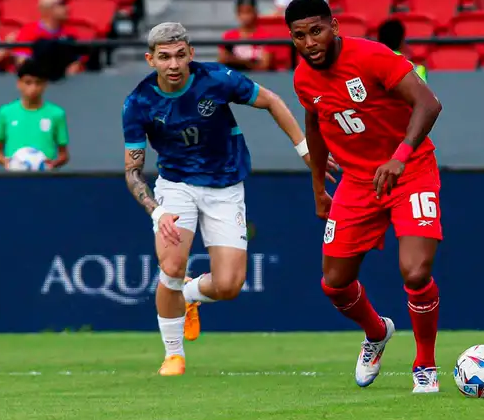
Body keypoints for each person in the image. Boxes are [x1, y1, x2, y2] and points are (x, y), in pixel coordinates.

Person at [122, 22, 337, 377]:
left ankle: (189, 295)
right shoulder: (138, 102)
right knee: (171, 266)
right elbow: (132, 171)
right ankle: (173, 355)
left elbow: (272, 101)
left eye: (180, 55)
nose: (173, 64)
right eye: (164, 57)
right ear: (151, 60)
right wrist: (157, 211)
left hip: (225, 185)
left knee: (228, 286)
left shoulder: (217, 79)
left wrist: (305, 150)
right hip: (176, 186)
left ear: (191, 54)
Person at [287, 0, 445, 394]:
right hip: (357, 182)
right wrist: (319, 187)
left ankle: (425, 364)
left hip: (410, 171)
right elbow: (314, 124)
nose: (310, 43)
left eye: (317, 31)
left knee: (416, 272)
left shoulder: (373, 57)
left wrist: (399, 157)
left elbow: (429, 103)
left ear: (334, 26)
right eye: (300, 36)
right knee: (334, 283)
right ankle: (376, 332)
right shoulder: (303, 78)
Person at [0, 59, 70, 170]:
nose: (33, 88)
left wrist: (53, 164)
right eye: (28, 82)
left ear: (45, 85)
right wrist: (7, 162)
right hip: (14, 176)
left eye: (38, 83)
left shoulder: (57, 114)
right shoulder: (5, 112)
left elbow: (64, 155)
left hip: (45, 177)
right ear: (19, 84)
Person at [11, 0, 85, 77]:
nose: (68, 8)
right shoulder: (28, 31)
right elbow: (22, 61)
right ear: (47, 9)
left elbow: (78, 60)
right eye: (62, 4)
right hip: (38, 79)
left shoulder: (71, 31)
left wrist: (75, 65)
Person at [218, 0, 273, 71]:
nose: (245, 16)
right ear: (237, 14)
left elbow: (265, 66)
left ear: (255, 12)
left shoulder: (265, 36)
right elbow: (222, 61)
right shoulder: (229, 36)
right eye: (241, 12)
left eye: (249, 11)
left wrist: (242, 62)